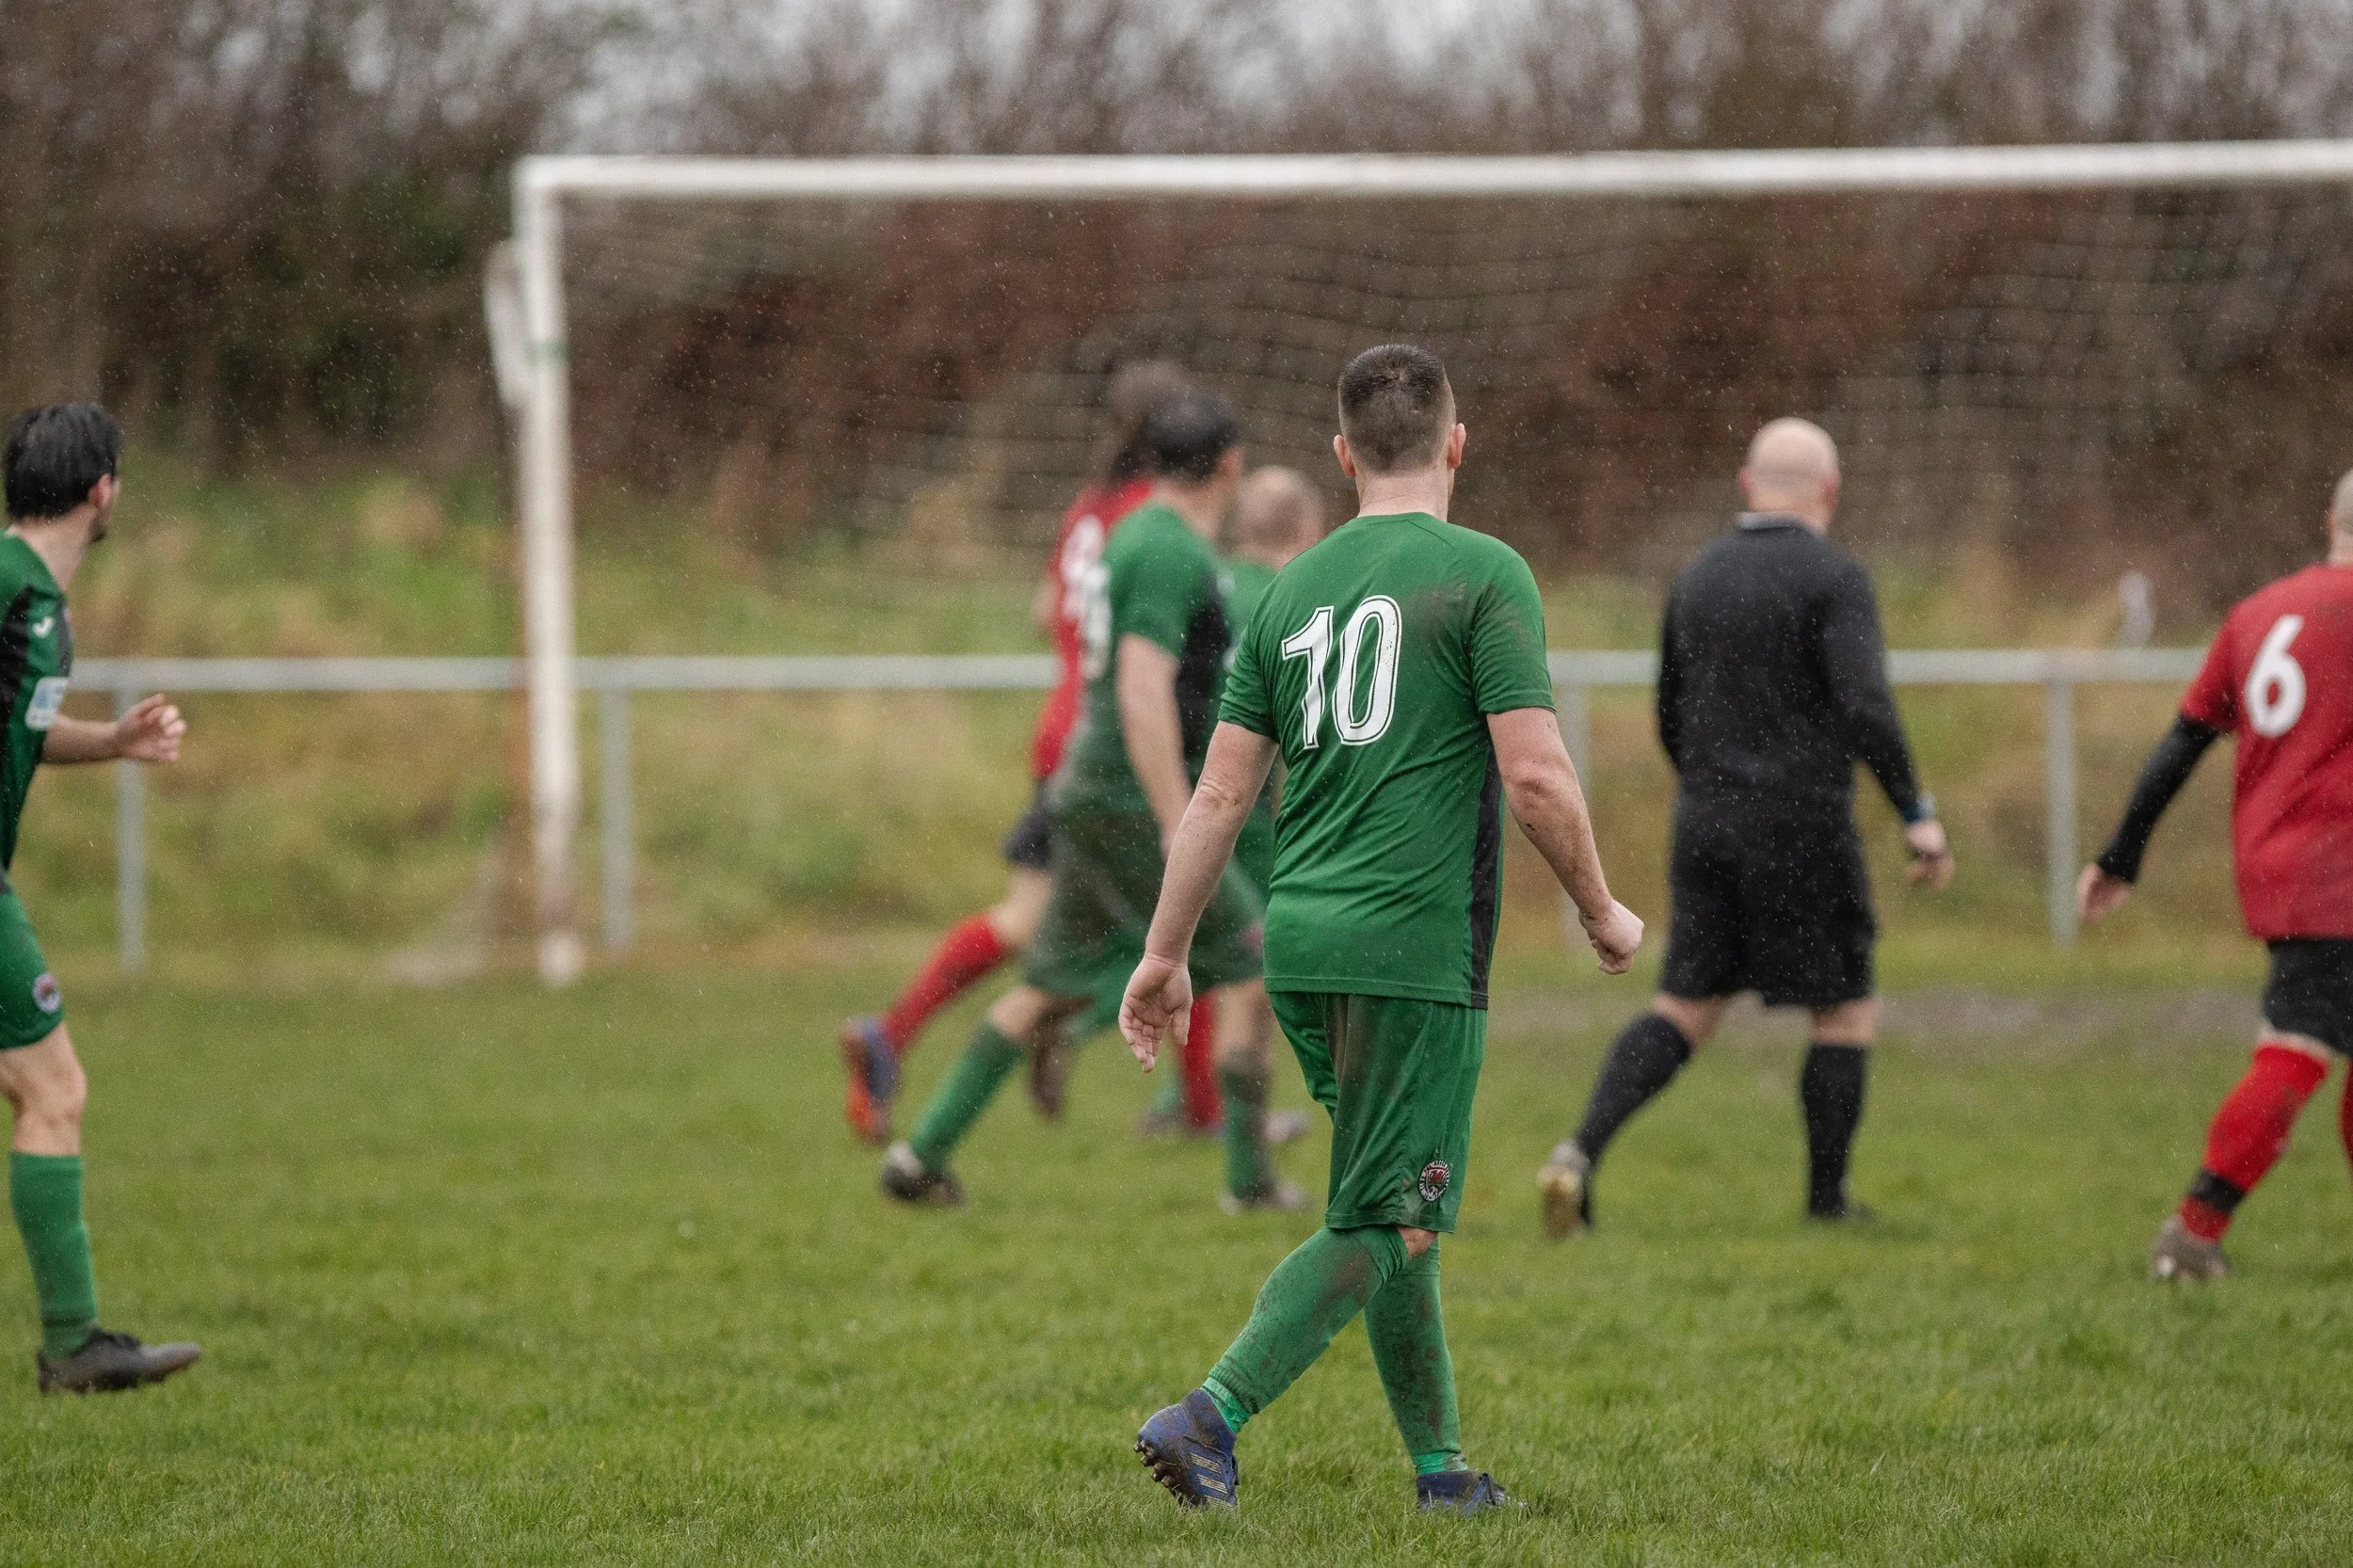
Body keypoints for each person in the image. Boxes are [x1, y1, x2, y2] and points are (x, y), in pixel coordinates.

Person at [1123, 345, 1643, 1514]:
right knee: (1390, 1215)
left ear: (1344, 455)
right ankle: (1209, 1413)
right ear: (1457, 444)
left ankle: (1441, 1470)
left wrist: (1163, 954)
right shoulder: (1484, 574)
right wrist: (1599, 905)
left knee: (1388, 1204)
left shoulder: (1291, 590)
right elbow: (1537, 775)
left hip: (1299, 946)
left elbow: (1217, 796)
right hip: (1414, 951)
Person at [880, 389, 1296, 1210]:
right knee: (1258, 960)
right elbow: (1142, 689)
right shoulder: (1171, 548)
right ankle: (1249, 1181)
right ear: (1230, 465)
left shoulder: (1138, 530)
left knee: (1054, 980)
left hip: (1088, 789)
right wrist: (1180, 816)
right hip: (1127, 799)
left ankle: (919, 1155)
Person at [1538, 418, 1954, 1239]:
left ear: (1745, 484)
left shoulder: (1696, 576)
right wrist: (1916, 812)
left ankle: (1577, 1153)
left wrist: (1713, 783)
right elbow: (1866, 706)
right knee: (1843, 1009)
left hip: (1705, 817)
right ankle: (1827, 1204)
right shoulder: (1835, 578)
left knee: (1685, 1003)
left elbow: (1667, 707)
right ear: (1829, 492)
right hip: (1803, 823)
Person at [838, 361, 1212, 1144]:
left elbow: (1048, 611)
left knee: (1031, 920)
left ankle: (894, 1035)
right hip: (1119, 744)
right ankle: (1196, 1105)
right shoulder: (1158, 518)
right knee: (1199, 917)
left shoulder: (1090, 508)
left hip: (1062, 733)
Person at [2082, 470, 2353, 1281]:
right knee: (2295, 1052)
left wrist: (2121, 854)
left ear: (2329, 519)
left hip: (2284, 867)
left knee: (2313, 1043)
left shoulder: (2259, 612)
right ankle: (2193, 1234)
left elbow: (2183, 743)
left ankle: (2194, 1234)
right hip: (2341, 868)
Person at [0, 405, 199, 1393]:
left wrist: (113, 742)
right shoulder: (4, 584)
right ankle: (75, 1346)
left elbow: (23, 735)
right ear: (102, 490)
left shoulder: (40, 609)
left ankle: (76, 1345)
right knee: (54, 1090)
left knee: (49, 1090)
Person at [1136, 466, 1327, 1143]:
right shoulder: (1296, 598)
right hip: (1246, 809)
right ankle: (1245, 1153)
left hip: (1187, 788)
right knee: (1255, 971)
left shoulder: (1211, 581)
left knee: (1201, 957)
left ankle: (1183, 1101)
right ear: (1308, 531)